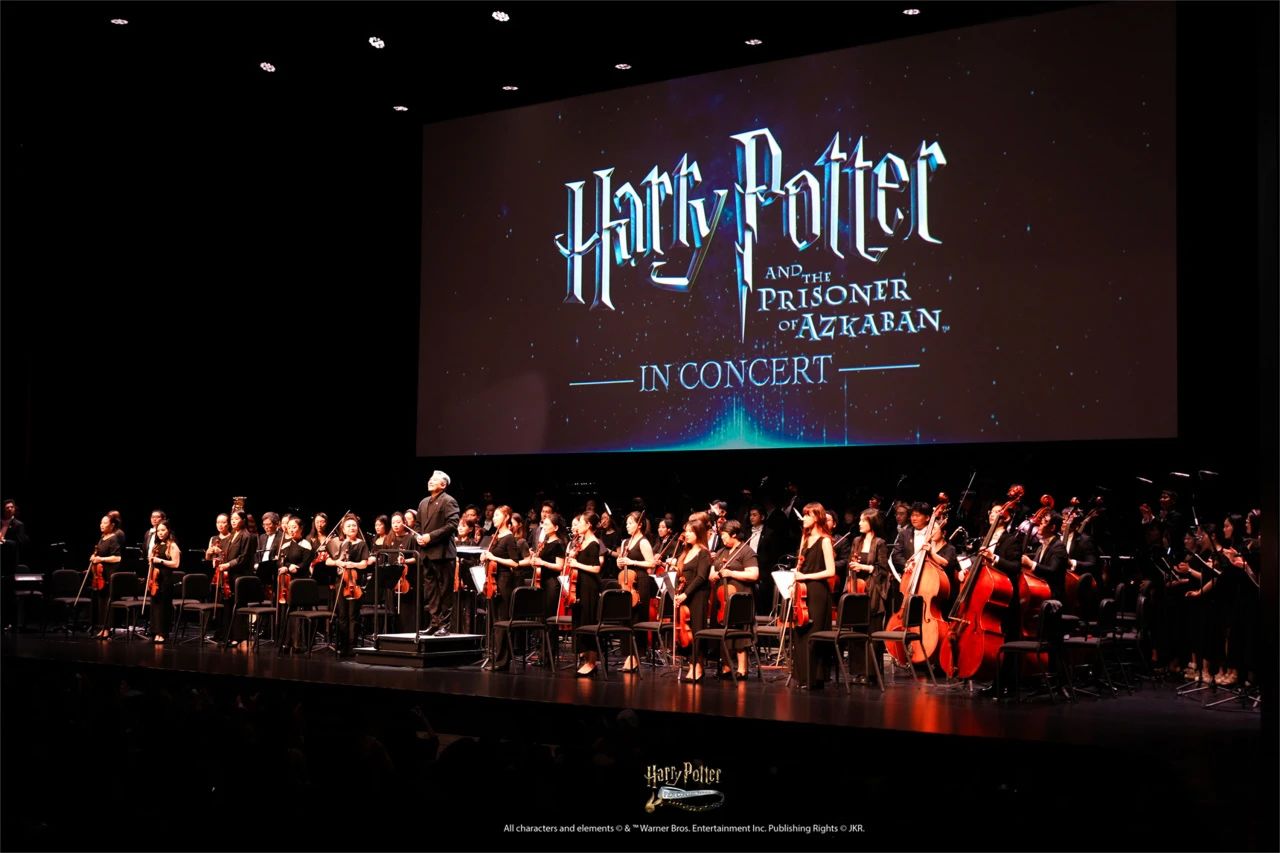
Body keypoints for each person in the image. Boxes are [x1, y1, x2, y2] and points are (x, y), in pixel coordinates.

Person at [793, 503, 835, 689]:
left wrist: (806, 576)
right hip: (802, 590)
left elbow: (830, 571)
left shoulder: (825, 541)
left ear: (817, 517)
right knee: (800, 632)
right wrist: (796, 577)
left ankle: (815, 678)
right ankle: (803, 677)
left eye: (808, 515)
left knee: (813, 634)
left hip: (817, 591)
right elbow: (800, 566)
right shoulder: (804, 538)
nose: (804, 519)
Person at [709, 519, 759, 678]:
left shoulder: (746, 551)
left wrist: (731, 573)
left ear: (734, 534)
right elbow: (712, 571)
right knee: (722, 630)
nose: (722, 538)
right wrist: (714, 575)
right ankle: (726, 668)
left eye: (724, 535)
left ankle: (742, 669)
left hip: (740, 599)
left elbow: (754, 574)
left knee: (739, 632)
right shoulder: (721, 552)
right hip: (722, 598)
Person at [415, 470, 460, 635]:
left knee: (445, 591)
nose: (430, 481)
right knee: (431, 591)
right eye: (430, 479)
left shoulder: (449, 501)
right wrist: (418, 536)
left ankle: (445, 625)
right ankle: (435, 622)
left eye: (434, 480)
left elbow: (452, 525)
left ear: (443, 484)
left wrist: (430, 536)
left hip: (443, 553)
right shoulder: (423, 502)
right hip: (427, 553)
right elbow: (418, 524)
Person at [673, 512, 713, 682]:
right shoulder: (685, 552)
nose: (687, 534)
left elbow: (701, 577)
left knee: (697, 629)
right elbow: (681, 575)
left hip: (698, 595)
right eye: (686, 531)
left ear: (699, 533)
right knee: (685, 632)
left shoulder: (703, 553)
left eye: (690, 531)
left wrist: (685, 593)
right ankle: (690, 663)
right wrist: (677, 593)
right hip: (684, 595)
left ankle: (698, 666)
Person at [616, 510, 656, 672]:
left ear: (639, 525)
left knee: (637, 618)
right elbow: (621, 561)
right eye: (626, 523)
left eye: (630, 523)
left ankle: (636, 656)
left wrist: (632, 561)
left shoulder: (643, 542)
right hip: (627, 581)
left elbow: (651, 563)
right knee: (626, 619)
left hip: (640, 582)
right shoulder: (625, 542)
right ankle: (628, 655)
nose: (627, 526)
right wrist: (620, 562)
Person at [484, 506, 523, 671]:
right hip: (493, 581)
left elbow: (515, 563)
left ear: (506, 517)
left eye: (497, 515)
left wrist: (493, 557)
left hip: (504, 582)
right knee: (494, 620)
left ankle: (502, 660)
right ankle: (495, 657)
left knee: (502, 619)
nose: (494, 518)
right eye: (493, 515)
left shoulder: (509, 538)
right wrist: (485, 557)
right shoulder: (496, 536)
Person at [327, 516, 369, 657]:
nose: (352, 528)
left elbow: (364, 563)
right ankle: (342, 645)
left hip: (354, 582)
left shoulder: (361, 544)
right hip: (341, 582)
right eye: (349, 526)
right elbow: (328, 561)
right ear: (343, 530)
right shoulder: (339, 543)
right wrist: (337, 562)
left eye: (354, 525)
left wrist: (353, 564)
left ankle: (352, 645)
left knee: (353, 615)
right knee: (342, 615)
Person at [568, 512, 603, 676]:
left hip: (590, 588)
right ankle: (585, 659)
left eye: (581, 522)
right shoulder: (581, 541)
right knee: (580, 621)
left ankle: (592, 662)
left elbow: (596, 568)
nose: (578, 525)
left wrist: (577, 564)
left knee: (588, 621)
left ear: (589, 525)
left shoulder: (594, 543)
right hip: (580, 586)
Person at [145, 520, 180, 644]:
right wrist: (151, 560)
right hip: (155, 579)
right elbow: (151, 562)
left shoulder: (172, 545)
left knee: (163, 606)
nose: (160, 533)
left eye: (163, 530)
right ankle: (155, 631)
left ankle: (162, 633)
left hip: (165, 580)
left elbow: (176, 564)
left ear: (168, 531)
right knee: (155, 605)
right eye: (158, 530)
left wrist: (160, 561)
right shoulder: (156, 545)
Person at [90, 514, 124, 638]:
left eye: (105, 523)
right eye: (101, 523)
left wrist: (101, 559)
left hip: (109, 574)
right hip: (100, 575)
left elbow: (117, 558)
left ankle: (108, 629)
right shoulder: (102, 538)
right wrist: (94, 557)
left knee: (107, 602)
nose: (102, 525)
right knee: (101, 601)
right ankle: (102, 627)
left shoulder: (113, 538)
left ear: (112, 525)